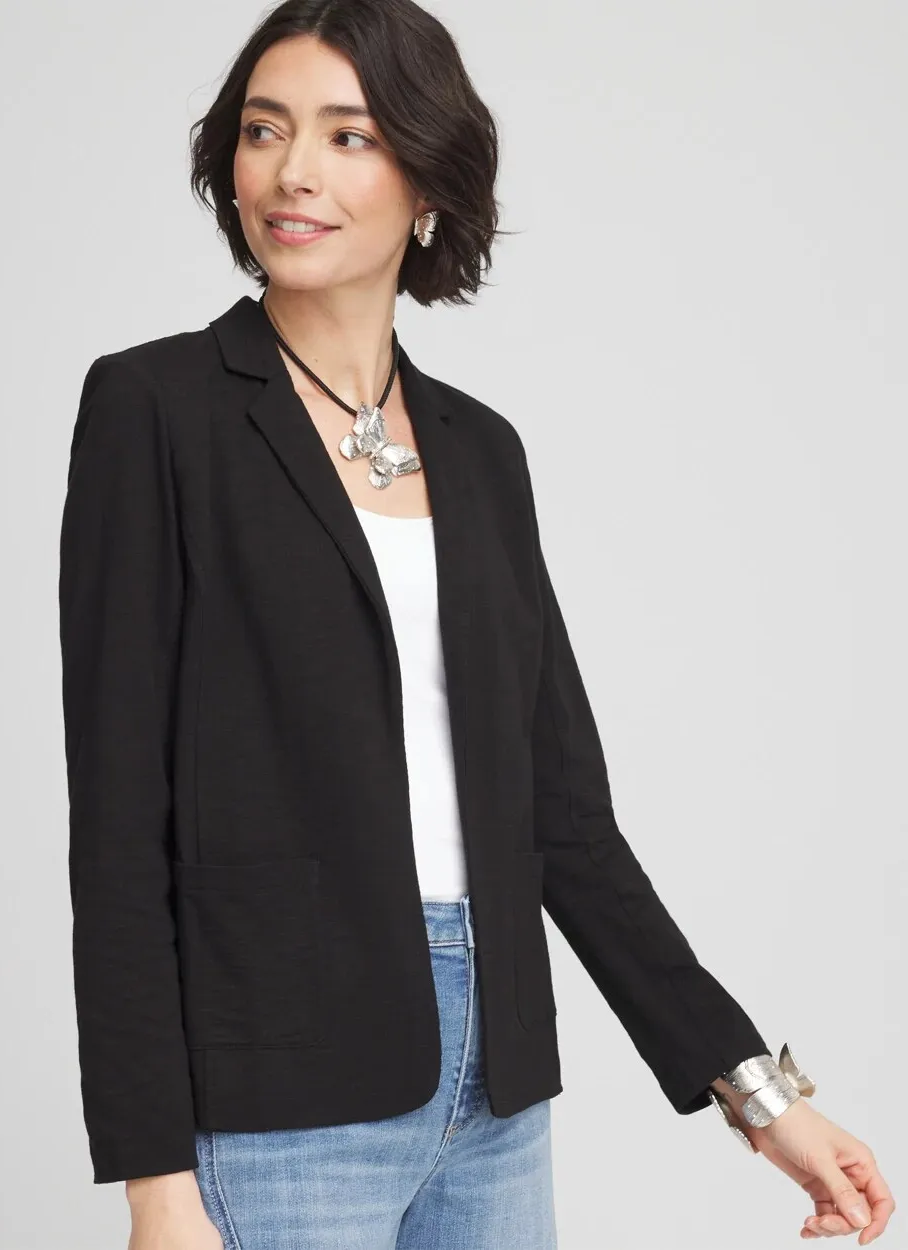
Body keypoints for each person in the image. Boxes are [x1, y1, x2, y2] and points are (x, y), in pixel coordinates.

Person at [57, 1, 895, 1247]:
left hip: (495, 1088)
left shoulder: (480, 450)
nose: (292, 171)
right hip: (283, 1093)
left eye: (348, 136)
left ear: (427, 182)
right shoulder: (157, 408)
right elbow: (120, 824)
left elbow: (565, 820)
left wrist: (757, 1094)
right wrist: (154, 1180)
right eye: (264, 130)